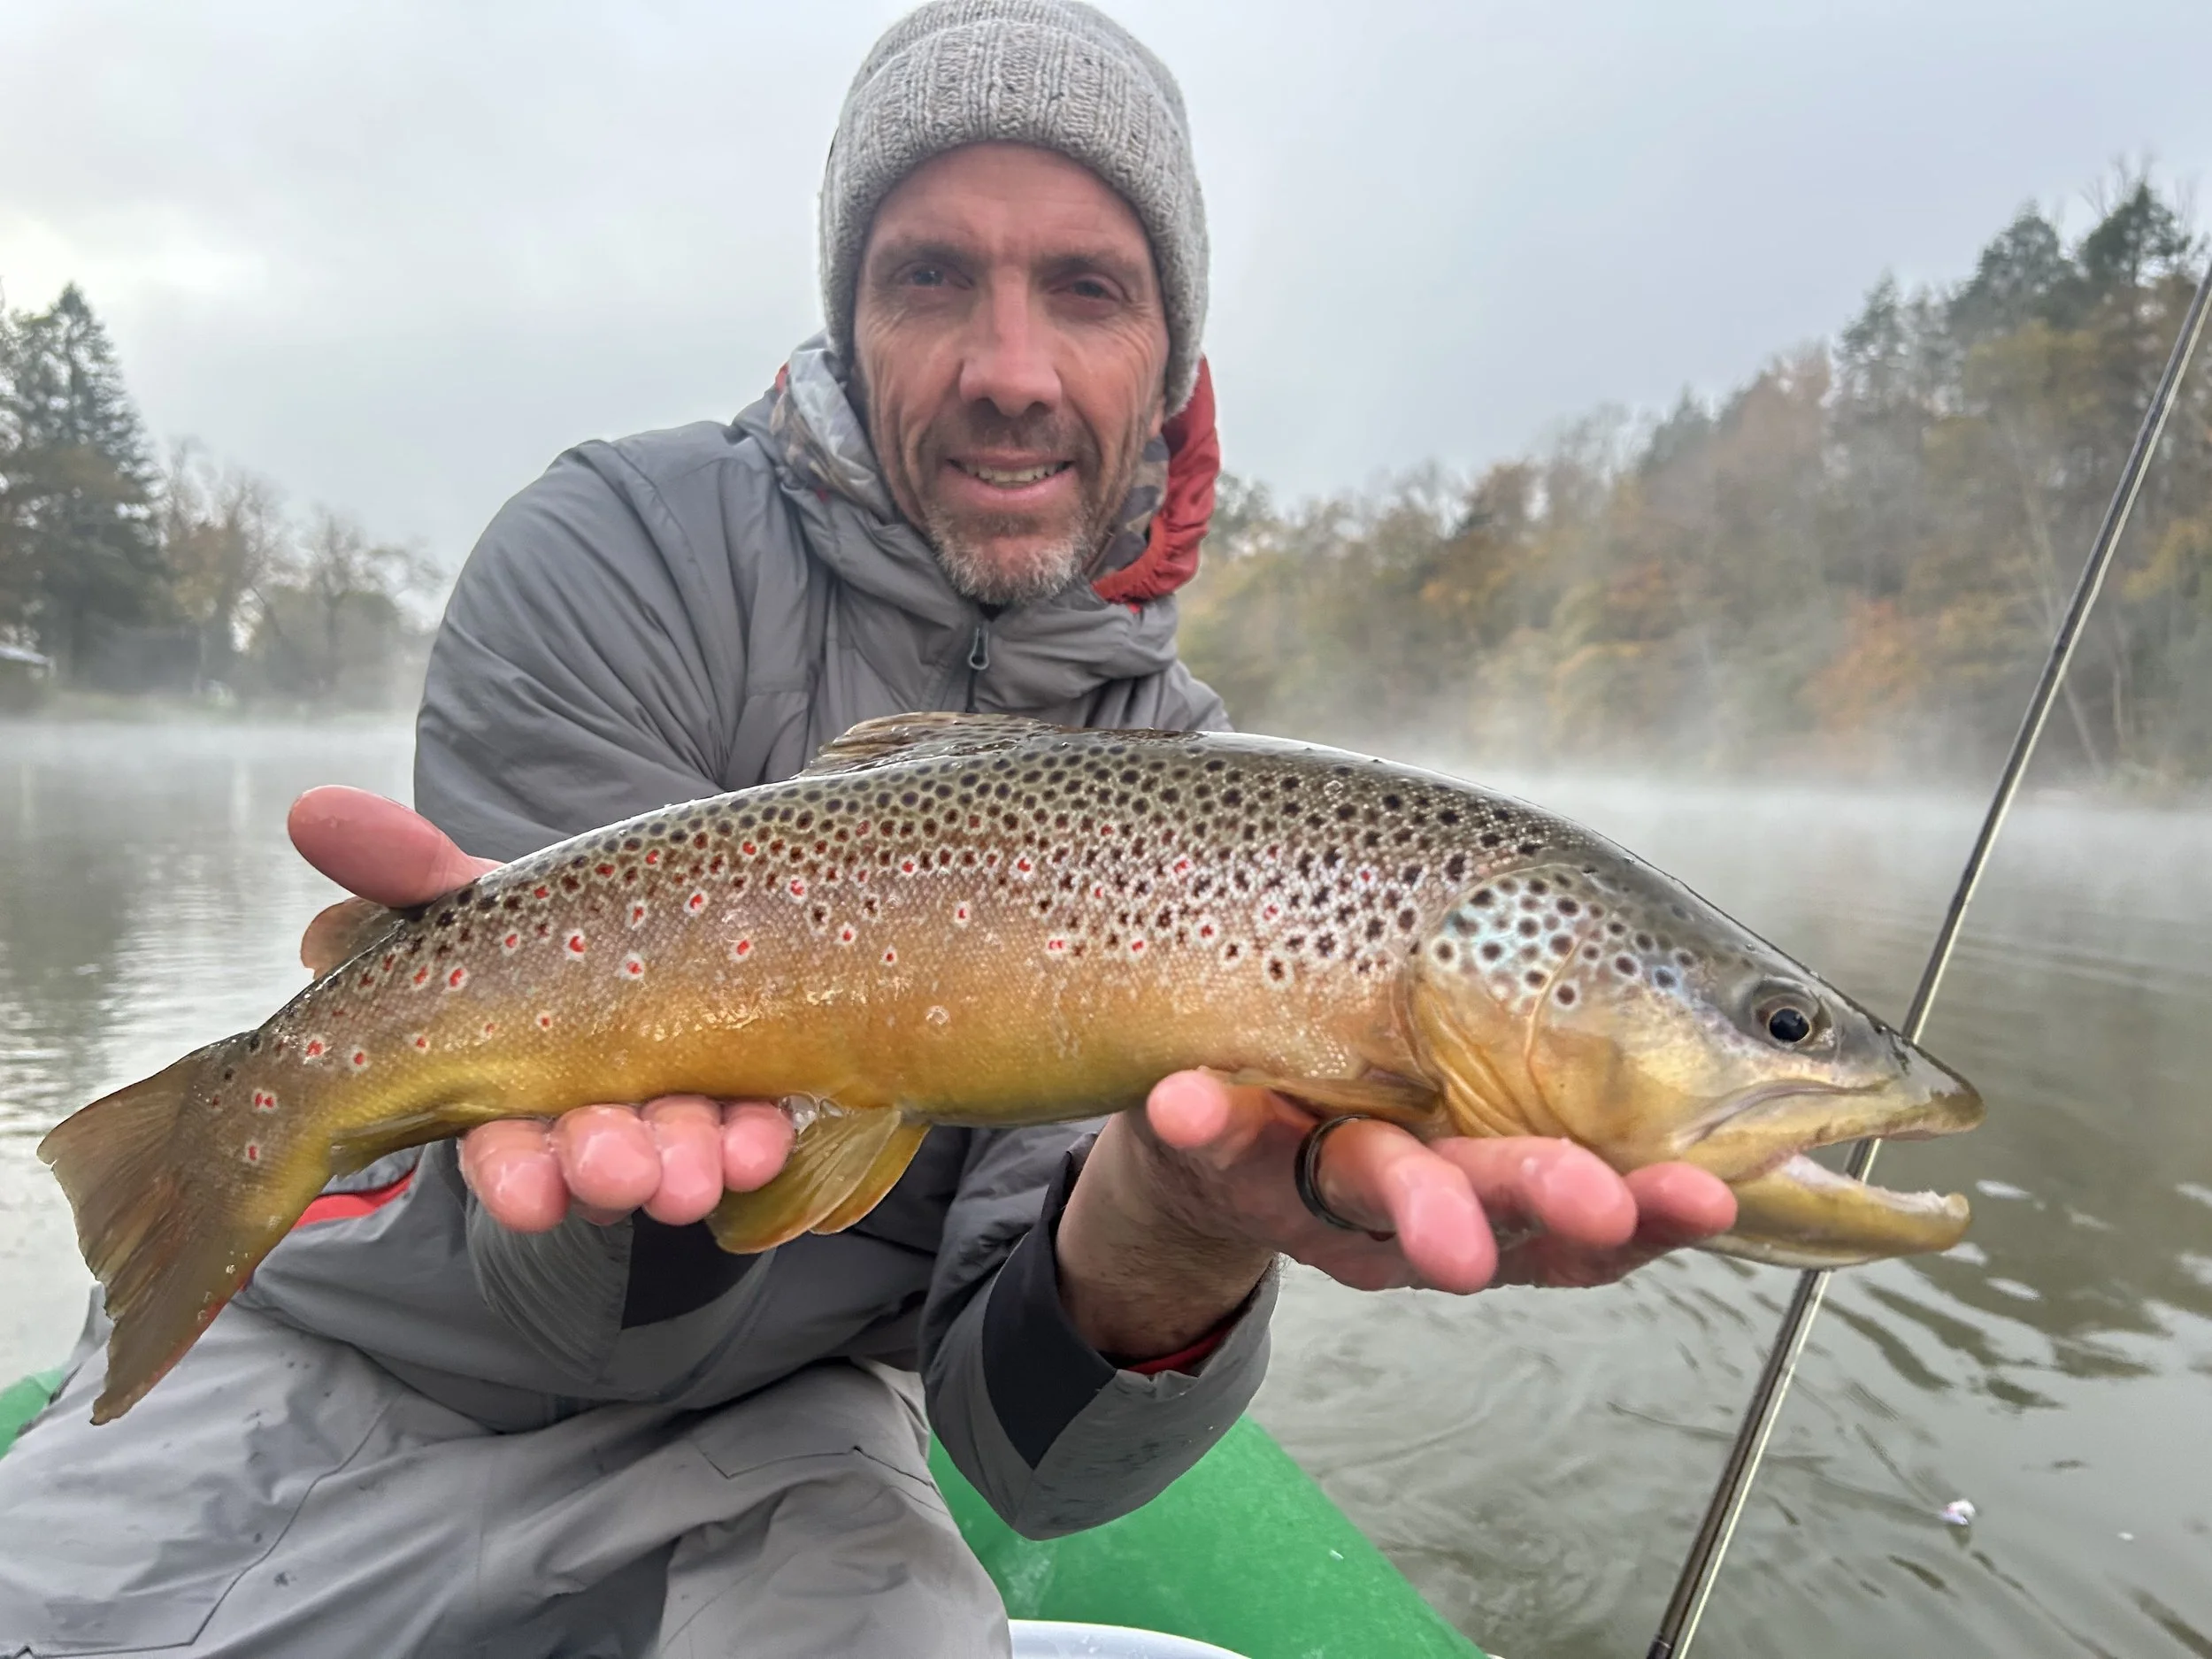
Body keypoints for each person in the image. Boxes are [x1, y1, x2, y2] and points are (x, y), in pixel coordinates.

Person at [0, 4, 1735, 1655]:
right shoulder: (618, 547)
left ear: (1169, 354)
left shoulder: (1202, 800)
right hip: (356, 1350)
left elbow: (1024, 1458)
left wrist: (1183, 1217)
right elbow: (551, 1275)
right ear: (848, 318)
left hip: (782, 1432)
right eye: (930, 278)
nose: (1008, 366)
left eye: (1085, 289)